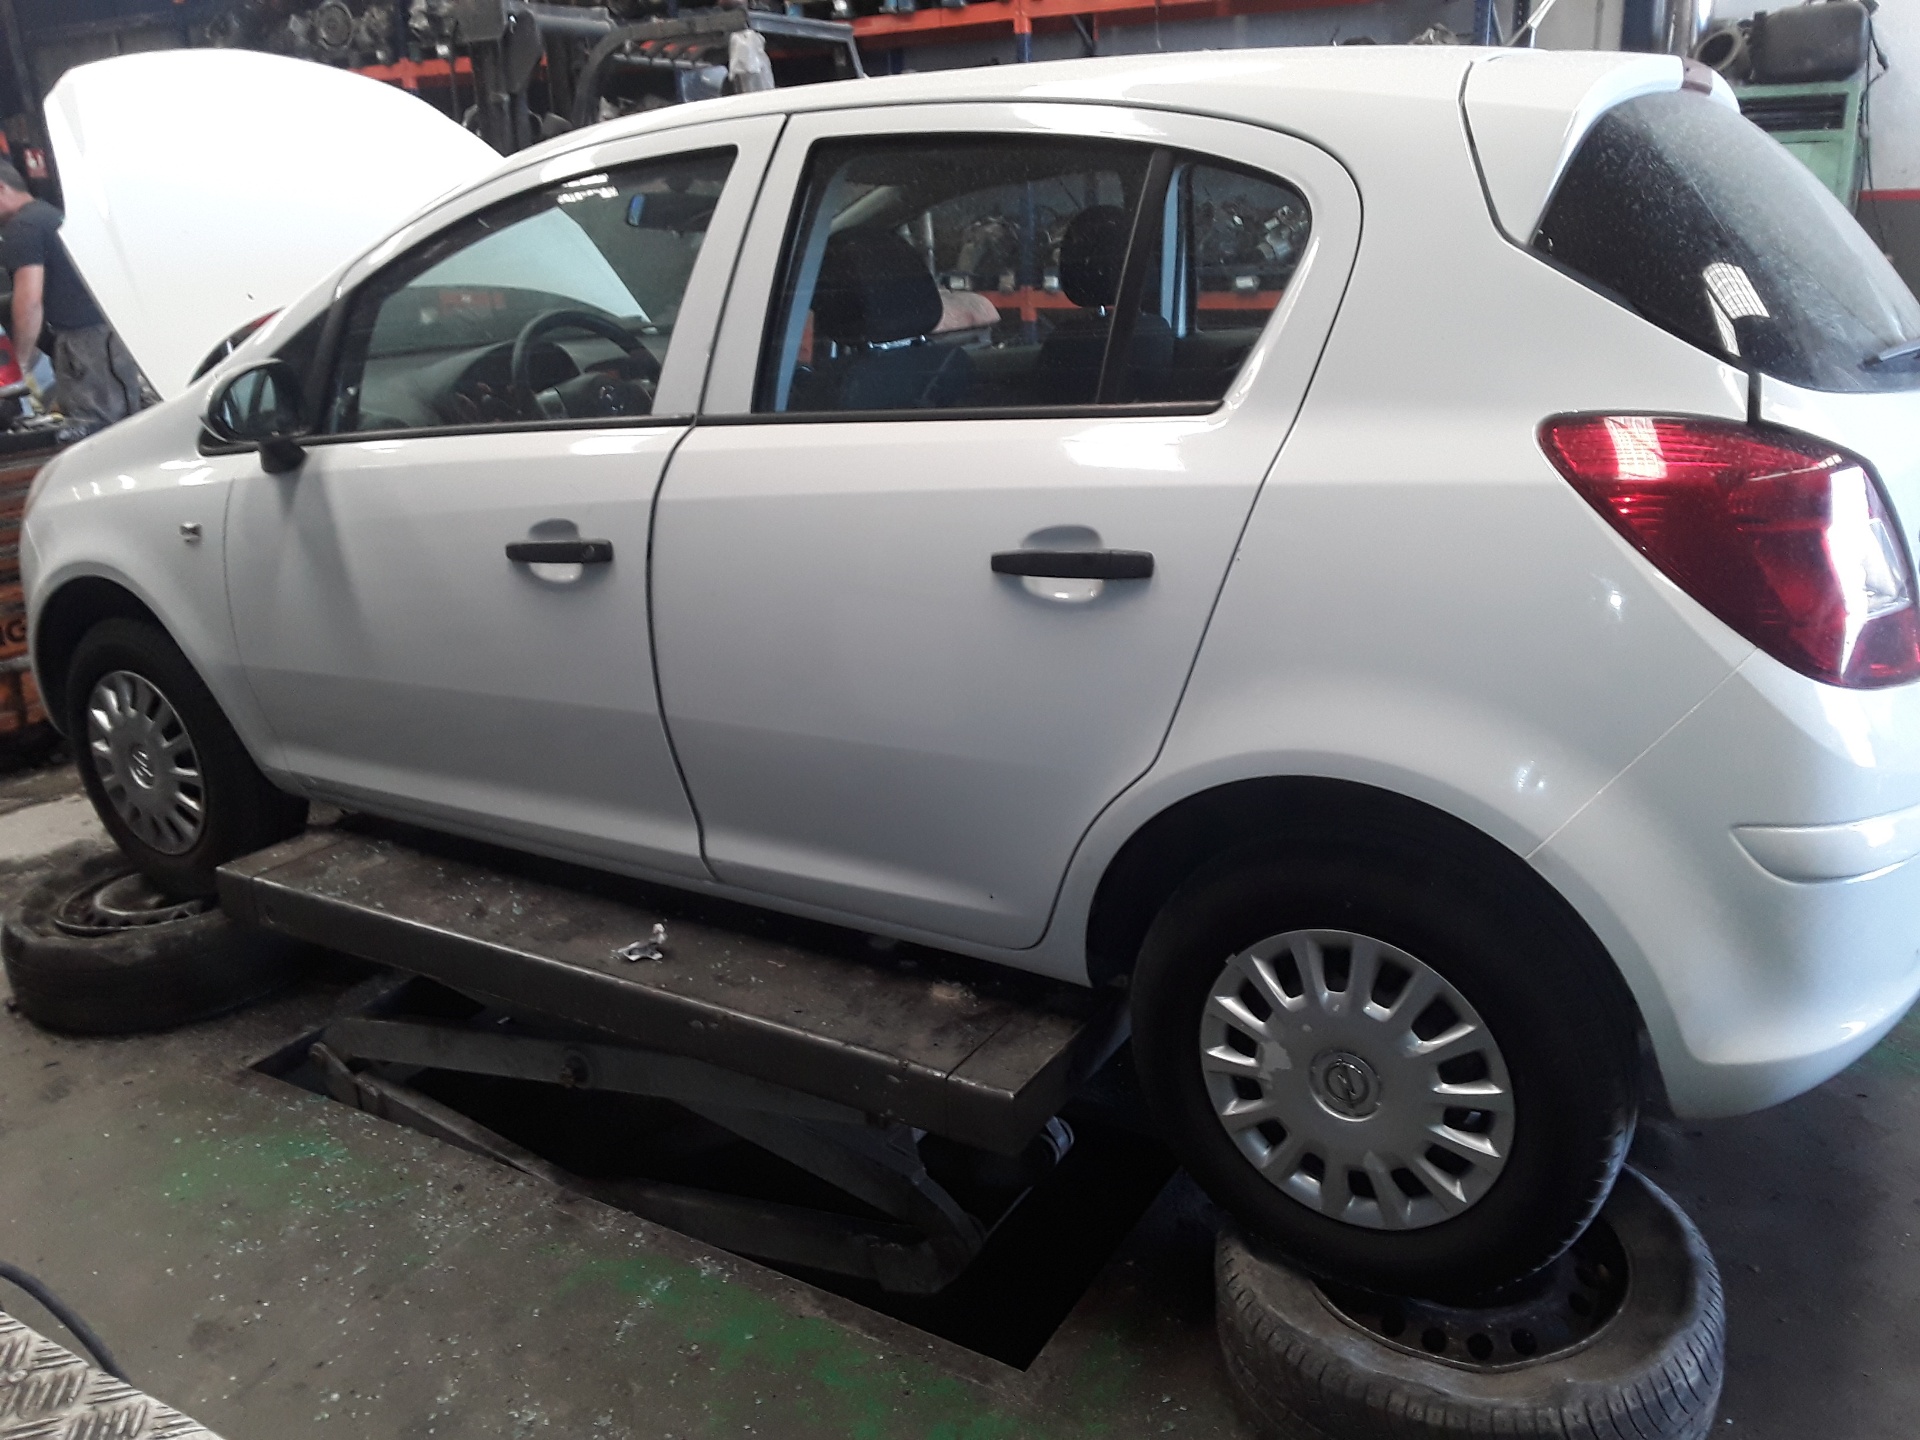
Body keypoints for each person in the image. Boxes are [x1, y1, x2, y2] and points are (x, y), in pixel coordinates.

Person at [0, 162, 146, 443]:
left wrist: (20, 363)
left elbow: (29, 301)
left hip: (86, 344)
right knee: (124, 429)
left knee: (96, 437)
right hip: (109, 336)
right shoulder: (51, 215)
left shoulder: (23, 227)